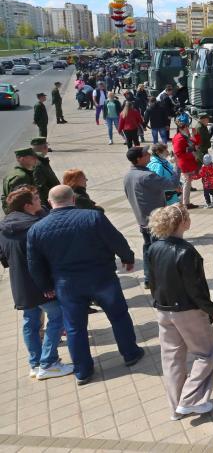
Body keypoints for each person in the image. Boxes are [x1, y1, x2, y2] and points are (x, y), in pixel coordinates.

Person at [27, 185, 145, 385]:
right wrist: (127, 258)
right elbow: (116, 240)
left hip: (67, 285)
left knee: (75, 327)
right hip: (102, 277)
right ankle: (130, 353)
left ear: (49, 203)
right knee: (118, 316)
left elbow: (34, 264)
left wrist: (46, 287)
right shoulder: (93, 217)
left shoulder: (37, 229)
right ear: (73, 199)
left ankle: (83, 371)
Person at [146, 205, 213, 419]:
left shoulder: (153, 248)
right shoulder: (186, 251)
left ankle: (175, 409)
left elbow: (151, 282)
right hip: (188, 312)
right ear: (181, 223)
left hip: (163, 310)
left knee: (171, 359)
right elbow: (196, 290)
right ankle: (189, 400)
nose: (190, 220)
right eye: (188, 217)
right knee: (206, 353)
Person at [0, 186, 74, 380]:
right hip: (41, 285)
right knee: (58, 316)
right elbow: (46, 257)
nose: (39, 200)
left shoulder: (4, 227)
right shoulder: (35, 226)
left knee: (30, 322)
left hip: (21, 286)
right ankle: (48, 363)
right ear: (27, 206)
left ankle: (35, 364)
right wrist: (48, 285)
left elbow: (4, 259)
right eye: (35, 198)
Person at [124, 146, 173, 289]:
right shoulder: (147, 176)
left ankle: (148, 279)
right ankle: (161, 281)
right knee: (159, 251)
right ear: (139, 159)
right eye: (146, 153)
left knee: (148, 249)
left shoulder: (128, 175)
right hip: (155, 222)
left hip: (142, 221)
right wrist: (177, 167)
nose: (149, 154)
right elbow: (173, 184)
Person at [172, 115, 200, 209]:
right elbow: (179, 154)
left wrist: (195, 135)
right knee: (186, 183)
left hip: (188, 163)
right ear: (182, 128)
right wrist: (192, 155)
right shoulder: (179, 138)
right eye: (187, 127)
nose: (188, 129)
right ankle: (185, 203)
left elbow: (195, 143)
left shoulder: (184, 136)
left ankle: (184, 202)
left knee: (187, 183)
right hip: (185, 164)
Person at [3, 148, 38, 214]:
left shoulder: (11, 174)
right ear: (22, 159)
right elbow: (21, 201)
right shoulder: (22, 177)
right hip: (23, 215)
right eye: (32, 157)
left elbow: (4, 197)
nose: (36, 159)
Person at [30, 137, 59, 205]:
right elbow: (40, 187)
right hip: (49, 201)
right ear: (45, 147)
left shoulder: (40, 160)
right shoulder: (39, 164)